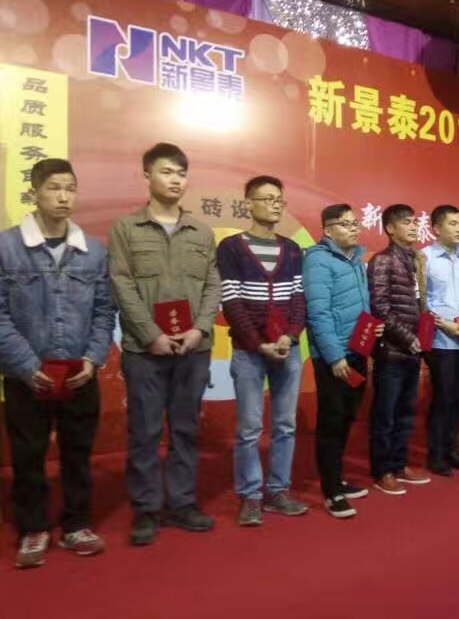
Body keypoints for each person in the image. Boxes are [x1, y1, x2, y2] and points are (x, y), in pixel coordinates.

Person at [0, 159, 115, 568]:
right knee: (29, 455)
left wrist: (93, 358)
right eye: (53, 188)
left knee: (78, 453)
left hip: (79, 374)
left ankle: (76, 524)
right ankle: (34, 528)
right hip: (26, 376)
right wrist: (26, 363)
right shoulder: (7, 247)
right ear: (34, 193)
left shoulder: (93, 250)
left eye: (70, 188)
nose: (63, 196)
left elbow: (104, 311)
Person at [109, 143, 220, 546]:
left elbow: (212, 286)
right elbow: (121, 284)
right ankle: (146, 508)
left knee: (186, 429)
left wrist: (200, 329)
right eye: (167, 172)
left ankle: (182, 504)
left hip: (193, 349)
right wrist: (150, 335)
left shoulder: (201, 232)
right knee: (145, 431)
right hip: (145, 352)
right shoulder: (126, 229)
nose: (175, 180)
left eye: (181, 173)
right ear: (147, 176)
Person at [217, 176, 308, 526]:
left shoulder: (293, 249)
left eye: (279, 199)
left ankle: (278, 491)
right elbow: (231, 300)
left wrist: (290, 336)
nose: (275, 205)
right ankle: (251, 495)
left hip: (287, 349)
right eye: (267, 198)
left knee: (285, 424)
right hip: (248, 351)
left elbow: (298, 297)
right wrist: (259, 343)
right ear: (248, 203)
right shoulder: (231, 247)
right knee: (249, 427)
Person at [304, 204, 383, 518]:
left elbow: (360, 303)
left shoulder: (356, 259)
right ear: (327, 230)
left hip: (358, 350)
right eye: (345, 224)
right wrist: (335, 356)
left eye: (355, 223)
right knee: (332, 421)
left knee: (348, 417)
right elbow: (318, 313)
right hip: (333, 356)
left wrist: (372, 329)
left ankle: (338, 478)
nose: (353, 229)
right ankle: (331, 491)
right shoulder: (318, 260)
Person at [367, 205, 432, 495]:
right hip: (391, 350)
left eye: (415, 222)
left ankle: (399, 463)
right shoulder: (382, 260)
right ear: (390, 229)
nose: (414, 226)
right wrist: (408, 338)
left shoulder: (416, 259)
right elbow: (380, 308)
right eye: (406, 222)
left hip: (413, 350)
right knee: (386, 413)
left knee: (406, 412)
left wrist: (421, 339)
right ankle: (382, 470)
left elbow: (419, 305)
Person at [423, 205, 459, 476]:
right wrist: (444, 324)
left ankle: (452, 450)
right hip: (441, 339)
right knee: (443, 396)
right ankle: (436, 455)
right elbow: (422, 302)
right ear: (436, 228)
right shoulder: (425, 257)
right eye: (453, 224)